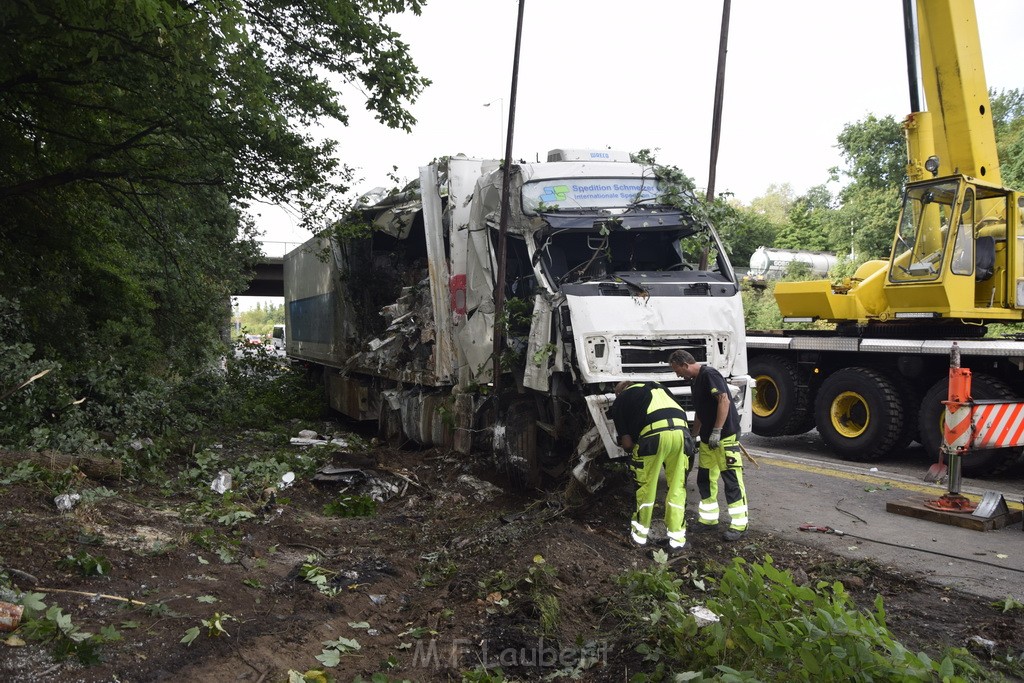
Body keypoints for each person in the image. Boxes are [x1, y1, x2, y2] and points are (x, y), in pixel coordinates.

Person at [668, 350, 749, 541]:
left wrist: (717, 430)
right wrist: (694, 435)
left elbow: (724, 400)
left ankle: (739, 524)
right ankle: (709, 520)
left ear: (686, 365)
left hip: (724, 438)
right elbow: (700, 411)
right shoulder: (694, 381)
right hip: (707, 439)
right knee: (705, 479)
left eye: (677, 370)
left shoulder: (709, 375)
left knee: (731, 481)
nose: (677, 375)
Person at [607, 380, 694, 552]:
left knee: (646, 487)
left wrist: (634, 454)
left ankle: (638, 538)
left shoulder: (621, 400)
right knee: (677, 487)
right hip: (682, 435)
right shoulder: (659, 387)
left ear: (620, 392)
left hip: (653, 437)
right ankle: (677, 541)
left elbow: (626, 444)